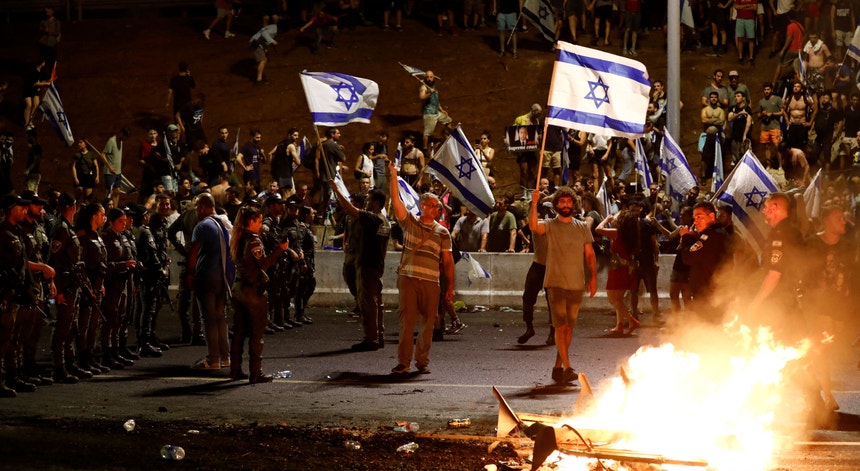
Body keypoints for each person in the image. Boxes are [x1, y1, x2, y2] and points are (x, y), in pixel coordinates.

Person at [388, 161, 455, 375]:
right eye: (431, 205)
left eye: (437, 206)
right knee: (407, 322)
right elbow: (396, 200)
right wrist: (393, 176)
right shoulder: (409, 222)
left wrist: (450, 287)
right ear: (422, 205)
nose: (435, 209)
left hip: (431, 282)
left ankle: (422, 361)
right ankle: (404, 362)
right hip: (409, 279)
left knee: (428, 323)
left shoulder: (442, 232)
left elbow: (447, 262)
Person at [529, 186, 597, 385]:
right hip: (555, 282)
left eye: (568, 202)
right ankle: (567, 367)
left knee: (568, 328)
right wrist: (534, 204)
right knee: (560, 326)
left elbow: (590, 254)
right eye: (562, 202)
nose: (565, 205)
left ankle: (558, 368)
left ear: (573, 204)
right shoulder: (550, 225)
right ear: (556, 205)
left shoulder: (582, 227)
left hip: (576, 284)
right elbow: (533, 226)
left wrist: (593, 277)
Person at [229, 205, 289, 383]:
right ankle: (256, 372)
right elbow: (263, 263)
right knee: (257, 332)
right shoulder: (253, 241)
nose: (261, 225)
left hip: (239, 288)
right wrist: (280, 249)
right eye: (259, 221)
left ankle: (235, 370)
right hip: (252, 292)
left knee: (239, 332)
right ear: (251, 221)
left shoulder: (238, 238)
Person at [332, 184, 391, 351]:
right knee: (376, 303)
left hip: (367, 266)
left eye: (369, 199)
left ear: (377, 202)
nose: (366, 202)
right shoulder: (385, 222)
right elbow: (384, 249)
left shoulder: (373, 218)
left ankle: (370, 338)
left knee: (368, 304)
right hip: (377, 265)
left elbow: (351, 209)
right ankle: (378, 336)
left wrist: (337, 190)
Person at [188, 193, 234, 370]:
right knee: (221, 317)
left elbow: (194, 252)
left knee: (208, 319)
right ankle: (225, 356)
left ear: (201, 207)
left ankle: (213, 359)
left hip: (206, 278)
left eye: (196, 208)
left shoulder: (202, 226)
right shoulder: (224, 223)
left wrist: (190, 274)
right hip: (223, 277)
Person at [48, 193, 87, 383]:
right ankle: (59, 366)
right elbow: (54, 260)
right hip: (65, 285)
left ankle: (69, 362)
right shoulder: (61, 229)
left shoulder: (68, 228)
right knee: (62, 326)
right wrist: (58, 289)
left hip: (72, 283)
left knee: (71, 325)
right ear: (73, 207)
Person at [679, 202, 730, 322]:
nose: (696, 221)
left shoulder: (712, 235)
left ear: (711, 216)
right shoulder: (713, 233)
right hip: (709, 293)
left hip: (709, 295)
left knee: (708, 327)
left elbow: (687, 256)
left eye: (699, 217)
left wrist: (685, 237)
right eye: (694, 218)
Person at [595, 209, 641, 335]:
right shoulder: (629, 235)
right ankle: (619, 325)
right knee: (619, 299)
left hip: (618, 269)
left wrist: (607, 219)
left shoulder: (617, 233)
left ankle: (632, 320)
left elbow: (598, 229)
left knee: (613, 299)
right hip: (626, 269)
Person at [419, 70, 453, 149]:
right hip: (429, 114)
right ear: (425, 78)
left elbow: (435, 100)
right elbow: (421, 97)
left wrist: (441, 109)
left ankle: (448, 138)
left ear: (433, 77)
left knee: (448, 121)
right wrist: (429, 93)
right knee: (427, 133)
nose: (429, 79)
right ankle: (424, 148)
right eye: (427, 77)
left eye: (431, 77)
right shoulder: (424, 87)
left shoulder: (433, 87)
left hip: (436, 112)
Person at [101, 128, 131, 209]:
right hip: (110, 172)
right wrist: (109, 166)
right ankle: (106, 211)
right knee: (109, 193)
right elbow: (102, 154)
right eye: (125, 137)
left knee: (117, 192)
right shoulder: (111, 141)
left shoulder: (121, 141)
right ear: (121, 133)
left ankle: (115, 209)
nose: (125, 139)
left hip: (118, 172)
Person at [758, 83, 785, 166]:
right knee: (766, 147)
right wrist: (762, 114)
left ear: (771, 90)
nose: (766, 91)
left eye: (768, 89)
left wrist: (772, 114)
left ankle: (780, 166)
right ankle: (768, 166)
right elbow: (758, 115)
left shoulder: (777, 99)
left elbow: (782, 112)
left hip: (775, 126)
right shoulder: (761, 101)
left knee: (777, 146)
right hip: (764, 127)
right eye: (765, 90)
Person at [269, 128, 301, 193]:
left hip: (277, 174)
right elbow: (298, 162)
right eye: (295, 135)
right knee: (288, 194)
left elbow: (270, 154)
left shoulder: (280, 144)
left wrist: (272, 167)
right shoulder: (291, 146)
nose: (297, 137)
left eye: (297, 135)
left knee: (279, 193)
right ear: (289, 135)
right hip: (286, 175)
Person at [38, 7, 61, 71]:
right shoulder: (43, 21)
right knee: (44, 60)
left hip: (52, 43)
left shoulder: (56, 21)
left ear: (52, 12)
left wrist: (49, 31)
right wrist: (44, 31)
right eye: (46, 12)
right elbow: (40, 31)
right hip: (44, 43)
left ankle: (51, 73)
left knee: (52, 60)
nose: (47, 14)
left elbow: (57, 32)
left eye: (49, 12)